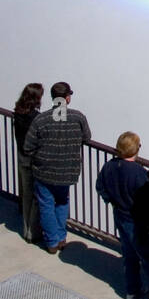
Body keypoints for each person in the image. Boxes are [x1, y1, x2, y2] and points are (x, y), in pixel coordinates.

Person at [22, 81, 91, 253]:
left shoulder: (41, 119)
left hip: (44, 171)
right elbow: (87, 138)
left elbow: (28, 146)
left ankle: (52, 242)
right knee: (62, 203)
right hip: (67, 171)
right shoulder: (78, 117)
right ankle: (61, 238)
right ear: (67, 98)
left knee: (46, 205)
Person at [95, 132, 149, 299]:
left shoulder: (109, 166)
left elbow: (100, 187)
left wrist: (111, 200)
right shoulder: (138, 172)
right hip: (139, 222)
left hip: (120, 216)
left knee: (129, 254)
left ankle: (132, 289)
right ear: (135, 149)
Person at [13, 82, 44, 244]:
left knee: (26, 195)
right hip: (33, 160)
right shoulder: (36, 118)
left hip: (22, 157)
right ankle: (32, 232)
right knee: (36, 197)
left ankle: (26, 229)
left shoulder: (18, 113)